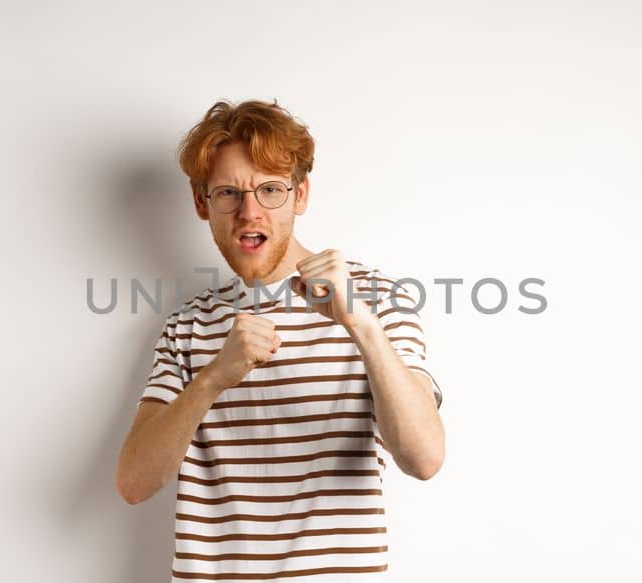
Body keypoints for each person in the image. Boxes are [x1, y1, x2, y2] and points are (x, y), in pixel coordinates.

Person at [115, 99, 445, 581]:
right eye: (229, 193)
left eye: (270, 190)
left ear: (301, 194)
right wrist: (212, 379)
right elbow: (133, 484)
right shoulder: (187, 326)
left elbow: (424, 458)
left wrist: (361, 326)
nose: (250, 213)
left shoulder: (376, 302)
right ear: (201, 203)